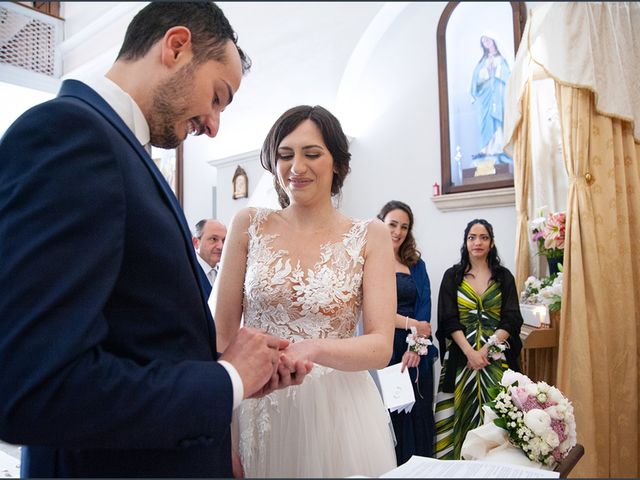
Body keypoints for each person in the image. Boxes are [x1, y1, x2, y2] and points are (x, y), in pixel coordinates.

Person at [0, 3, 311, 477]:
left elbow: (134, 338)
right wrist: (225, 380)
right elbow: (34, 385)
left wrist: (235, 371)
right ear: (177, 46)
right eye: (217, 97)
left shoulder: (117, 148)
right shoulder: (73, 134)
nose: (213, 125)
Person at [212, 105, 398, 477]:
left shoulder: (370, 235)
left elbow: (380, 346)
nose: (296, 167)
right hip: (259, 404)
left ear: (337, 163)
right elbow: (221, 336)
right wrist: (221, 434)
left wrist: (314, 347)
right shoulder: (248, 224)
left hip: (339, 412)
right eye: (285, 155)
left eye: (311, 154)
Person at [434, 219, 523, 460]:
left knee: (498, 418)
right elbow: (448, 319)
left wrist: (485, 349)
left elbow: (512, 318)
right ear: (465, 242)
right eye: (472, 237)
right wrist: (470, 353)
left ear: (491, 243)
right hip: (461, 362)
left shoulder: (504, 277)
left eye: (483, 237)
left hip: (496, 361)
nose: (478, 242)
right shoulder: (452, 276)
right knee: (459, 417)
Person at [377, 200, 437, 464]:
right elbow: (374, 313)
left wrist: (415, 346)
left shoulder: (416, 264)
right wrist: (410, 324)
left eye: (404, 227)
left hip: (417, 351)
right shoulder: (370, 262)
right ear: (380, 223)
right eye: (392, 224)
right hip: (386, 349)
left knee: (420, 413)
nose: (398, 232)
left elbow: (425, 307)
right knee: (393, 417)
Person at [470, 35, 512, 163]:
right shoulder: (482, 61)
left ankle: (498, 148)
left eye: (487, 40)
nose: (486, 43)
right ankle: (486, 149)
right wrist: (486, 72)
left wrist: (497, 69)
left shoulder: (501, 59)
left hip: (498, 96)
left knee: (497, 121)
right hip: (485, 97)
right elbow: (475, 79)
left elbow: (508, 76)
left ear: (493, 40)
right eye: (483, 41)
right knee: (485, 121)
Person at [193, 219, 227, 287]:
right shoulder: (187, 272)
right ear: (196, 242)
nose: (221, 247)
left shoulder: (226, 274)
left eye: (224, 240)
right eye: (213, 239)